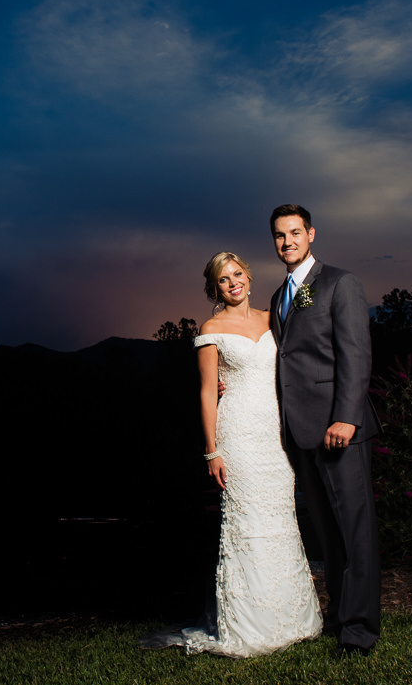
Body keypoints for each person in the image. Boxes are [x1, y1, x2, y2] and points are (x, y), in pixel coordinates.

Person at [141, 251, 322, 657]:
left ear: (249, 277)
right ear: (214, 288)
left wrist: (309, 290)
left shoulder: (275, 315)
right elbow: (207, 391)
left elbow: (310, 306)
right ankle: (247, 624)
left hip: (277, 435)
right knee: (246, 523)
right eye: (223, 280)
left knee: (280, 521)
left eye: (237, 274)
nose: (232, 283)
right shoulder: (211, 328)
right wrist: (212, 451)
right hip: (237, 433)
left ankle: (291, 620)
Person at [269, 204, 381, 658]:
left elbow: (356, 352)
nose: (287, 241)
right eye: (279, 235)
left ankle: (359, 632)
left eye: (295, 233)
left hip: (339, 428)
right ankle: (339, 614)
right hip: (301, 432)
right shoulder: (280, 295)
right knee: (328, 534)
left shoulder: (339, 283)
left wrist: (347, 416)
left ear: (311, 234)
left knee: (356, 531)